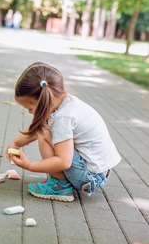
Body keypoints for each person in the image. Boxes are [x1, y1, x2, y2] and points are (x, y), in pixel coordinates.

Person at [6, 62, 121, 202]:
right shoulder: (66, 102)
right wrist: (15, 143)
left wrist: (29, 165)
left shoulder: (63, 118)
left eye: (30, 107)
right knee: (44, 128)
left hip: (90, 177)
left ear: (44, 99)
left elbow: (63, 161)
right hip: (99, 172)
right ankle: (62, 181)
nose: (29, 112)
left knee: (44, 131)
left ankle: (59, 185)